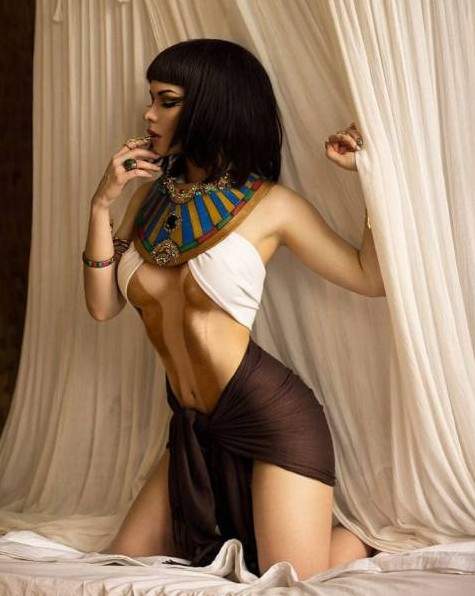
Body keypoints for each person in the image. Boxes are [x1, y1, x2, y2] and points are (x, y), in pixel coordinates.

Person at [83, 38, 384, 580]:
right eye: (151, 99)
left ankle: (363, 542)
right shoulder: (148, 198)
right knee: (121, 568)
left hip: (271, 420)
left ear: (211, 106)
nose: (149, 114)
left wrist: (372, 179)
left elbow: (369, 277)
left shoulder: (272, 205)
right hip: (194, 429)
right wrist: (101, 202)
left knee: (288, 580)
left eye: (166, 101)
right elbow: (102, 306)